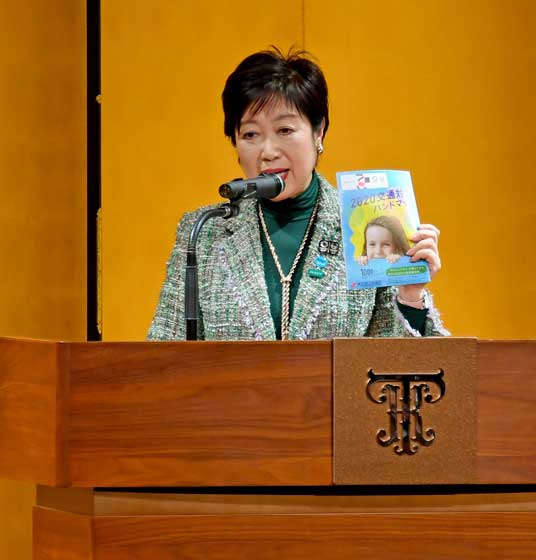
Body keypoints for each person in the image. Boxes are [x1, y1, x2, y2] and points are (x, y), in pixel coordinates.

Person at [148, 47, 448, 341]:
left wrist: (410, 296)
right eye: (250, 135)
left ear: (318, 133)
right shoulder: (204, 231)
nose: (267, 152)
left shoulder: (367, 223)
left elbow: (393, 370)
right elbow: (164, 354)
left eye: (285, 130)